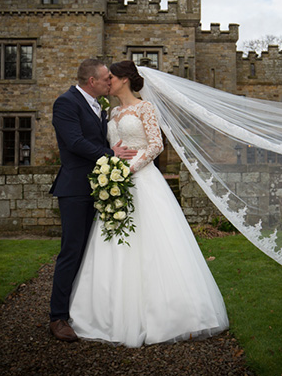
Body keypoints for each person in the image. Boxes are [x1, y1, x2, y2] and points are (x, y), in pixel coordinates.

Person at [69, 61, 229, 346]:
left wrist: (129, 169)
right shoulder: (112, 112)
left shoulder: (146, 108)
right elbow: (110, 147)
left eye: (112, 78)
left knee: (155, 245)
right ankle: (110, 314)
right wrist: (112, 171)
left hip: (143, 181)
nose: (109, 82)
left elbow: (156, 145)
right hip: (117, 186)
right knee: (115, 244)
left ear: (125, 80)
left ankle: (168, 314)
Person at [49, 58, 137, 342]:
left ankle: (82, 309)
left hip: (99, 187)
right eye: (105, 78)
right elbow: (74, 142)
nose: (109, 81)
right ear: (92, 82)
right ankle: (58, 317)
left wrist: (110, 154)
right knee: (71, 250)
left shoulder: (99, 106)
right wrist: (111, 155)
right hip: (75, 188)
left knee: (91, 252)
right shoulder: (66, 103)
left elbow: (97, 142)